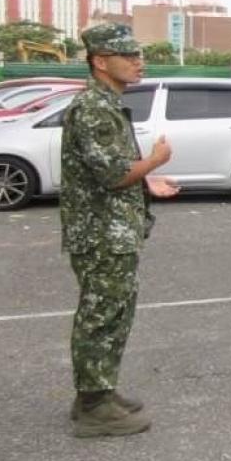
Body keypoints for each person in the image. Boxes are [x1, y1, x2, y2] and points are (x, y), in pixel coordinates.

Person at [61, 22, 178, 438]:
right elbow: (113, 175)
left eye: (138, 54)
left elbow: (107, 173)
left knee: (114, 313)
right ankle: (94, 406)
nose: (137, 62)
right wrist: (156, 161)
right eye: (127, 56)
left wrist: (147, 182)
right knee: (101, 315)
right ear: (99, 61)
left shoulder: (107, 104)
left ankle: (98, 392)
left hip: (113, 230)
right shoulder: (93, 107)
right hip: (101, 234)